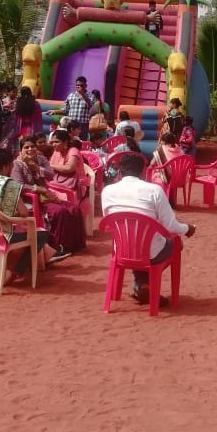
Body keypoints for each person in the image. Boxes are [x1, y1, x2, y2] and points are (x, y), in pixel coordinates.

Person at [101, 152, 196, 305]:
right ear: (143, 172)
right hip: (149, 252)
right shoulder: (154, 191)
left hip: (121, 250)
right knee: (174, 243)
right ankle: (145, 284)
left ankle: (142, 283)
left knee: (138, 242)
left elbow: (108, 221)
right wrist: (188, 228)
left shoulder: (107, 191)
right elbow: (171, 226)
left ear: (119, 172)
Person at [0, 149, 60, 286]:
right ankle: (12, 272)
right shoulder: (8, 184)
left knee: (21, 232)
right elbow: (23, 213)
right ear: (5, 166)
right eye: (11, 165)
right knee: (40, 234)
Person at [12, 136, 84, 254]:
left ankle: (73, 245)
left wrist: (35, 166)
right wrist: (39, 189)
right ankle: (58, 246)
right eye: (26, 147)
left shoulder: (41, 159)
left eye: (32, 146)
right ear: (21, 150)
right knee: (60, 212)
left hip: (46, 197)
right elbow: (19, 185)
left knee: (74, 208)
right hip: (30, 199)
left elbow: (51, 175)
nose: (30, 149)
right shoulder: (17, 164)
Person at [45, 76, 92, 142]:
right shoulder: (71, 96)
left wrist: (83, 94)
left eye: (81, 85)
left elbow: (91, 105)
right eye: (77, 85)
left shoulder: (90, 96)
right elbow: (65, 110)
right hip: (71, 124)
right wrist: (54, 111)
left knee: (81, 142)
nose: (79, 87)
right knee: (70, 141)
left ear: (85, 86)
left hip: (83, 125)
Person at [48, 129, 85, 200]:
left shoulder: (73, 151)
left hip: (76, 185)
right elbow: (50, 169)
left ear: (65, 142)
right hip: (58, 182)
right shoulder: (56, 152)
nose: (53, 144)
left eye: (56, 142)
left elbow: (69, 168)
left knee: (53, 197)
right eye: (52, 142)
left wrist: (51, 165)